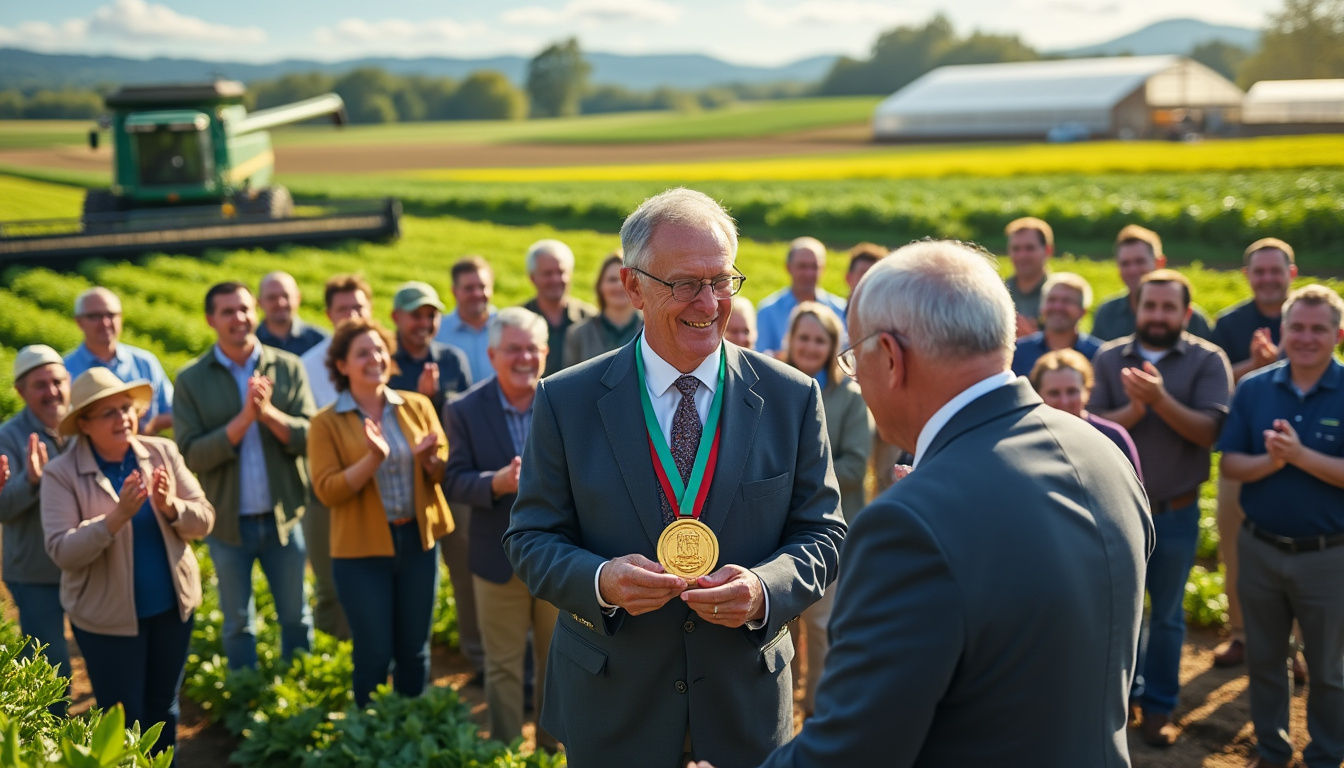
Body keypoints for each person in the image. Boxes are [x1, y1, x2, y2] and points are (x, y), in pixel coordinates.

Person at [696, 239, 1152, 768]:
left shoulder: (909, 521)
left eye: (855, 358)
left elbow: (854, 751)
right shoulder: (1102, 451)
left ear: (889, 356)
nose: (857, 379)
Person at [503, 188, 846, 768]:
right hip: (614, 704)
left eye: (721, 281)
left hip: (744, 702)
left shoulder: (791, 397)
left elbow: (824, 534)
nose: (708, 302)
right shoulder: (567, 399)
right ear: (632, 285)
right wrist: (601, 580)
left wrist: (765, 589)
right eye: (685, 283)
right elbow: (530, 539)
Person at [1090, 269, 1233, 747]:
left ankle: (1158, 708)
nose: (1157, 315)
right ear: (1137, 308)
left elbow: (1208, 434)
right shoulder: (1109, 359)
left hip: (1174, 511)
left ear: (1186, 313)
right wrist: (1134, 411)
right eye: (1150, 306)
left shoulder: (1207, 361)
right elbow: (1086, 427)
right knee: (1116, 611)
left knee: (1168, 615)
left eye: (1168, 307)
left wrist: (1159, 399)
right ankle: (1120, 700)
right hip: (1112, 512)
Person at [42, 368, 214, 761]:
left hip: (171, 609)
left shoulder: (162, 452)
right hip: (107, 620)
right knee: (124, 716)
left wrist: (171, 506)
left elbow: (205, 518)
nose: (123, 418)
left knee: (163, 709)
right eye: (108, 413)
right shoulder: (61, 474)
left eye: (126, 408)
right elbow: (62, 550)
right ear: (83, 423)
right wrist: (116, 517)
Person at [1219, 285, 1344, 768]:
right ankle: (1271, 751)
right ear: (1282, 330)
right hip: (1261, 550)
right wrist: (1273, 464)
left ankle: (1326, 755)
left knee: (1329, 669)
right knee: (1265, 662)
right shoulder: (1254, 388)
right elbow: (1231, 465)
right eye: (1297, 327)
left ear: (1337, 334)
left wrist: (1299, 456)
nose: (1306, 337)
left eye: (1318, 329)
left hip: (1328, 556)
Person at [308, 318, 452, 707]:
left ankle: (409, 728)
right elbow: (327, 491)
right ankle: (372, 742)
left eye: (378, 350)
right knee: (373, 654)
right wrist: (372, 460)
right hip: (360, 554)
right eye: (361, 353)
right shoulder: (325, 423)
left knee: (415, 650)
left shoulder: (417, 406)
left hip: (417, 543)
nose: (374, 358)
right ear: (341, 365)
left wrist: (428, 462)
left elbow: (441, 471)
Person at [174, 282, 315, 670]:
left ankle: (299, 690)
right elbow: (191, 454)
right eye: (227, 311)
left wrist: (268, 414)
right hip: (227, 524)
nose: (239, 318)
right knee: (238, 622)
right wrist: (242, 421)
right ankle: (244, 695)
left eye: (244, 308)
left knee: (296, 617)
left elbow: (310, 436)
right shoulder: (191, 379)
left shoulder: (287, 366)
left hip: (283, 517)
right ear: (210, 320)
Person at [443, 308, 559, 748]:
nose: (524, 357)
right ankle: (509, 750)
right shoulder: (464, 409)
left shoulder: (564, 401)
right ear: (492, 355)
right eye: (514, 349)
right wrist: (498, 482)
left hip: (558, 556)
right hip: (497, 557)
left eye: (533, 348)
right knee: (504, 665)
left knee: (557, 661)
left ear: (546, 353)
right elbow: (453, 479)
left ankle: (551, 748)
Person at [1209, 237, 1299, 669]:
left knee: (1303, 551)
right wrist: (1252, 366)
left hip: (1303, 459)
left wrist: (1281, 362)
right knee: (1235, 549)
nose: (1267, 279)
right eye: (1258, 272)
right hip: (1241, 454)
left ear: (1291, 274)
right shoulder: (1229, 324)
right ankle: (1241, 633)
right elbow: (1214, 386)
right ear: (1247, 277)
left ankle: (1300, 645)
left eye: (1274, 271)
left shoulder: (1304, 318)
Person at [780, 301, 872, 719]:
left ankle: (816, 710)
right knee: (781, 624)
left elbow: (856, 466)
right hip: (775, 528)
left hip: (826, 530)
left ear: (833, 346)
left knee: (820, 626)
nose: (811, 346)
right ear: (791, 340)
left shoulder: (850, 397)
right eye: (804, 337)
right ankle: (781, 706)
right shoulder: (770, 385)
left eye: (821, 339)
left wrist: (802, 473)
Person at [297, 274, 373, 641]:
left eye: (359, 306)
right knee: (331, 586)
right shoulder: (308, 365)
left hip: (377, 488)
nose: (352, 314)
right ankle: (333, 661)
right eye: (343, 308)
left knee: (372, 581)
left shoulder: (382, 356)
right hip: (327, 490)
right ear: (328, 314)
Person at [0, 346, 72, 687]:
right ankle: (54, 734)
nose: (52, 391)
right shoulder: (8, 437)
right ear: (20, 390)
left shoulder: (83, 428)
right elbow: (3, 509)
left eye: (57, 381)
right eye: (40, 384)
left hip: (85, 563)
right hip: (34, 570)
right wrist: (30, 480)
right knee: (51, 666)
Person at [65, 287, 174, 435]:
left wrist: (143, 424)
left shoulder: (145, 362)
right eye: (95, 316)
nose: (105, 322)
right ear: (79, 322)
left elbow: (173, 411)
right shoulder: (64, 370)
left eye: (111, 315)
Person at [1029, 348, 1142, 479]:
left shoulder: (1112, 437)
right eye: (1054, 393)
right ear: (1038, 394)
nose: (1064, 401)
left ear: (1087, 391)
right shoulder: (1029, 439)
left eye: (1072, 391)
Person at [1091, 225, 1213, 342]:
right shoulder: (1107, 314)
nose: (1132, 270)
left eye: (1140, 261)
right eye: (1125, 263)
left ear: (1159, 262)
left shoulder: (1194, 320)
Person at [387, 281, 471, 419]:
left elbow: (465, 415)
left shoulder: (452, 359)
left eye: (431, 316)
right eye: (416, 315)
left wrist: (436, 397)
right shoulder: (384, 360)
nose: (425, 323)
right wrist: (419, 397)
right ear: (396, 317)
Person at [754, 237, 847, 356]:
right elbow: (760, 357)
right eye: (802, 266)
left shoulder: (841, 310)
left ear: (823, 269)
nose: (808, 273)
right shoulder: (768, 311)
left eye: (814, 267)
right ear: (788, 268)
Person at [521, 239, 598, 375]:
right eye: (548, 273)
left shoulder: (590, 318)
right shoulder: (519, 320)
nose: (556, 279)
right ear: (532, 278)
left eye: (561, 272)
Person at [1010, 272, 1102, 376]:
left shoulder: (1100, 356)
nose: (1057, 307)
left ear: (1083, 311)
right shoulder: (1018, 353)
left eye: (1067, 301)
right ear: (1041, 307)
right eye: (1051, 300)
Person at [564, 251, 644, 368]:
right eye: (612, 279)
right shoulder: (578, 334)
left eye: (626, 280)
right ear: (600, 286)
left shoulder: (654, 331)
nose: (619, 286)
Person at [435, 256, 498, 383]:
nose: (477, 294)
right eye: (469, 288)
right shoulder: (438, 333)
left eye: (482, 287)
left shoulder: (509, 328)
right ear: (454, 291)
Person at [256, 271, 328, 357]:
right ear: (259, 302)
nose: (280, 303)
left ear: (298, 298)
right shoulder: (251, 342)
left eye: (286, 296)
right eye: (272, 297)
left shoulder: (320, 342)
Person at [1004, 217, 1053, 337]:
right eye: (1016, 249)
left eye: (1029, 248)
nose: (1022, 255)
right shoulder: (998, 292)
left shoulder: (1059, 296)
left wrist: (1032, 340)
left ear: (1047, 251)